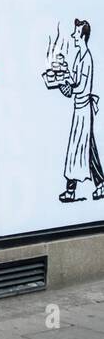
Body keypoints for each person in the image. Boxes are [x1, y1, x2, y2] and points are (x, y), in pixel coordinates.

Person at [60, 19, 104, 202]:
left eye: (76, 33)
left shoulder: (86, 59)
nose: (73, 36)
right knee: (82, 148)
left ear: (83, 36)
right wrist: (65, 75)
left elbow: (83, 87)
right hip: (79, 108)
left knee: (82, 148)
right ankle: (99, 184)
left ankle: (76, 189)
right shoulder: (79, 57)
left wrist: (70, 88)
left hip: (84, 108)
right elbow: (76, 80)